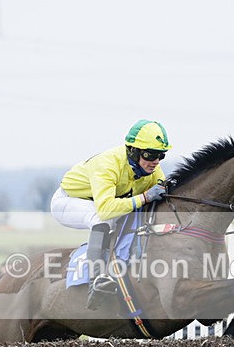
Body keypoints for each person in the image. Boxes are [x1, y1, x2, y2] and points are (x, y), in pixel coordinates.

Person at [49, 119, 171, 310]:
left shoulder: (152, 169)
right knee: (101, 219)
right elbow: (106, 209)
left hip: (102, 202)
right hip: (69, 201)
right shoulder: (107, 164)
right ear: (133, 151)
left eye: (161, 156)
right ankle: (95, 280)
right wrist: (145, 197)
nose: (155, 161)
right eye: (150, 155)